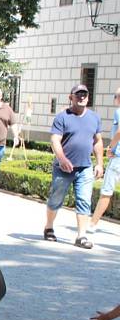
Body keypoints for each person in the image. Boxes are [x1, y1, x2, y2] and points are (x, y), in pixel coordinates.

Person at [43, 84, 103, 249]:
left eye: (84, 94)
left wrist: (99, 163)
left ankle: (81, 236)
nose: (82, 97)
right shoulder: (62, 117)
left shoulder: (94, 118)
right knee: (56, 199)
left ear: (88, 97)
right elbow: (55, 140)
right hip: (63, 168)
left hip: (85, 167)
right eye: (78, 95)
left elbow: (97, 142)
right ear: (71, 97)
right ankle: (49, 227)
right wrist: (61, 159)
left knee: (84, 200)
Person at [89, 87, 120, 232]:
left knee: (106, 191)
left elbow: (119, 131)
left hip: (118, 158)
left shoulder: (119, 111)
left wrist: (110, 148)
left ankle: (92, 224)